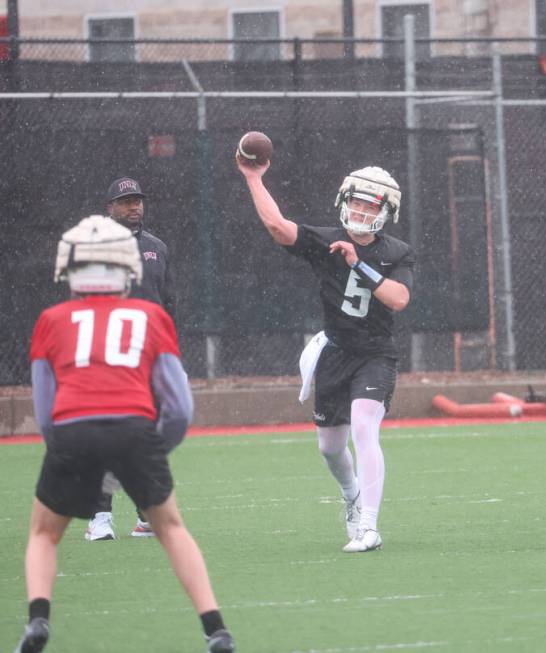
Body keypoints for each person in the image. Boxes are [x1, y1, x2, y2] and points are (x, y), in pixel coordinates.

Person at [18, 215, 234, 653]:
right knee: (171, 528)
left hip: (73, 429)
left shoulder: (51, 320)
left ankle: (38, 621)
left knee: (43, 534)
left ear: (70, 267)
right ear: (127, 266)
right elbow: (179, 407)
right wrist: (155, 447)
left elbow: (44, 409)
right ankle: (215, 629)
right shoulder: (150, 316)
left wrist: (63, 447)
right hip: (135, 428)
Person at [237, 156, 414, 553]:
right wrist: (253, 178)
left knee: (365, 427)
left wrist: (359, 265)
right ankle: (351, 493)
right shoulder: (327, 240)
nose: (361, 210)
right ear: (344, 200)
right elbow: (277, 227)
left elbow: (399, 299)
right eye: (357, 202)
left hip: (375, 353)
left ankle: (370, 527)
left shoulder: (397, 252)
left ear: (386, 211)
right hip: (335, 352)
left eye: (371, 205)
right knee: (330, 448)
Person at [85, 176, 178, 541]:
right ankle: (100, 516)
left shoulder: (157, 247)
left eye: (137, 200)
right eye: (125, 201)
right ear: (110, 208)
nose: (133, 206)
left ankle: (144, 515)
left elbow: (168, 305)